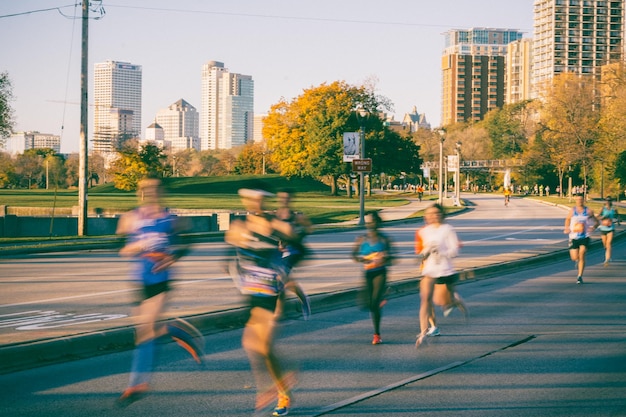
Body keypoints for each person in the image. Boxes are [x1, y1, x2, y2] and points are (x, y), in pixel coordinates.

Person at [115, 178, 203, 406]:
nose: (148, 192)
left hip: (161, 279)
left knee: (146, 329)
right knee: (143, 332)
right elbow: (121, 249)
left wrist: (173, 257)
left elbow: (189, 243)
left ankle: (138, 383)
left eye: (154, 188)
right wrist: (137, 247)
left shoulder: (172, 219)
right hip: (139, 279)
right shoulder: (130, 218)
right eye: (144, 188)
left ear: (162, 191)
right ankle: (173, 329)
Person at [226, 188, 297, 417]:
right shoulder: (239, 227)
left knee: (263, 346)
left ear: (265, 200)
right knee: (252, 345)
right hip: (251, 294)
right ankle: (277, 387)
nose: (254, 203)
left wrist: (284, 269)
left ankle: (282, 393)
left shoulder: (277, 227)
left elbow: (301, 250)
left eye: (258, 199)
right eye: (249, 199)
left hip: (269, 294)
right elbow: (228, 255)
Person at [414, 203, 466, 348]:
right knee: (425, 300)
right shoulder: (424, 231)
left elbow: (454, 251)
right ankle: (423, 332)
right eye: (429, 214)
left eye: (436, 213)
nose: (433, 216)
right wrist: (425, 252)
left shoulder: (448, 229)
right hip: (429, 270)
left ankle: (454, 300)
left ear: (442, 214)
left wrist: (440, 252)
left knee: (443, 302)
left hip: (445, 270)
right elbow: (421, 251)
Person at [351, 211, 393, 345]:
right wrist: (363, 259)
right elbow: (354, 256)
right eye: (369, 222)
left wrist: (384, 257)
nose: (371, 225)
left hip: (380, 273)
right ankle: (382, 296)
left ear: (379, 223)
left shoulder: (384, 239)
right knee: (367, 304)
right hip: (368, 272)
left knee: (374, 304)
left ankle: (377, 334)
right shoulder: (362, 239)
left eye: (374, 222)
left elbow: (393, 258)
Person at [275, 188, 313, 320]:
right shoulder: (276, 215)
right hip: (280, 252)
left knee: (281, 278)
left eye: (287, 198)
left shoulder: (297, 216)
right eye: (282, 198)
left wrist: (296, 236)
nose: (284, 200)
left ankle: (280, 311)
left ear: (291, 199)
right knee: (281, 281)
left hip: (294, 251)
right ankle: (299, 300)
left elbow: (309, 229)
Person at [564, 194, 599, 284]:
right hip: (573, 236)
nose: (579, 201)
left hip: (585, 236)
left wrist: (593, 227)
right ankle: (577, 261)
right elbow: (568, 219)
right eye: (578, 200)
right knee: (575, 257)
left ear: (584, 200)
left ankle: (579, 276)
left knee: (582, 254)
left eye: (581, 199)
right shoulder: (572, 210)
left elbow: (597, 222)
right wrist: (567, 227)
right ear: (575, 201)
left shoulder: (588, 211)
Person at [597, 197, 620, 266]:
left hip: (611, 228)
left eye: (609, 201)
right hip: (603, 228)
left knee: (609, 243)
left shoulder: (614, 209)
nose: (608, 202)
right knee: (605, 244)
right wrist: (602, 218)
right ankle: (607, 252)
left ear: (611, 201)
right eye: (607, 201)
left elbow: (618, 215)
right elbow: (597, 216)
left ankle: (607, 258)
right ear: (605, 201)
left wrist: (618, 221)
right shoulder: (602, 209)